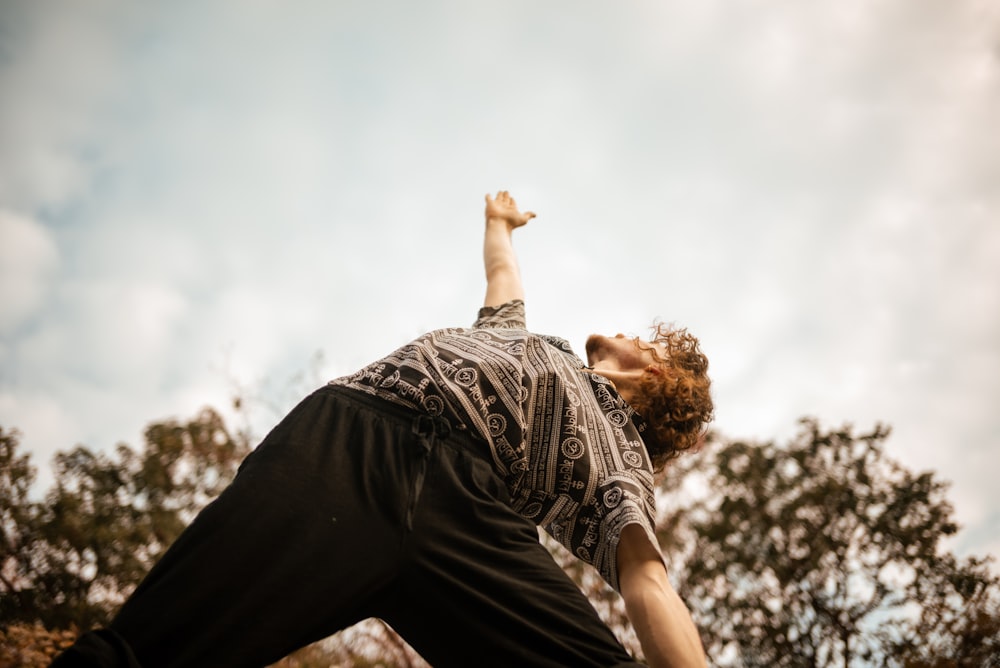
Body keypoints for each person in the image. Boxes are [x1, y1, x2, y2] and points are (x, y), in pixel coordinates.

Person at [53, 191, 713, 668]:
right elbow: (501, 278)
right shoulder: (533, 345)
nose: (624, 333)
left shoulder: (620, 454)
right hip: (352, 443)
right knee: (148, 649)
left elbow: (645, 580)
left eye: (643, 341)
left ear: (658, 379)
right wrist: (499, 225)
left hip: (471, 520)